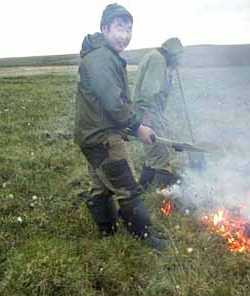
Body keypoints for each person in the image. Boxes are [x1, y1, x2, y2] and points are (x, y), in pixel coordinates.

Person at [73, 3, 165, 250]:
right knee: (128, 187)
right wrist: (138, 128)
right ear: (104, 28)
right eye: (119, 28)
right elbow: (114, 103)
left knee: (100, 186)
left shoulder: (104, 55)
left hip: (91, 135)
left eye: (129, 29)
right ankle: (144, 236)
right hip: (102, 137)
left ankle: (107, 230)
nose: (125, 35)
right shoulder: (101, 59)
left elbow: (113, 103)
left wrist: (131, 125)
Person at [132, 37, 184, 191]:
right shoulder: (158, 60)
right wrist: (147, 122)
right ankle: (163, 199)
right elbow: (149, 92)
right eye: (179, 56)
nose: (180, 60)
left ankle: (142, 190)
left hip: (152, 113)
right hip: (148, 113)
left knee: (153, 154)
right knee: (161, 155)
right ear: (172, 54)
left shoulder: (157, 58)